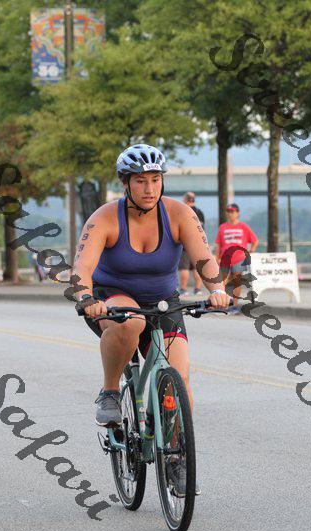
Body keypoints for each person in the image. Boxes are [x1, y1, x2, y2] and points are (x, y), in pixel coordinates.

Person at [73, 143, 232, 497]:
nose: (149, 188)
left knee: (180, 380)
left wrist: (218, 289)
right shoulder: (105, 218)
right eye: (141, 180)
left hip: (163, 303)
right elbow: (82, 267)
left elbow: (203, 259)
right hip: (112, 300)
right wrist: (86, 298)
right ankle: (110, 392)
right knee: (131, 323)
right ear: (125, 183)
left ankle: (176, 457)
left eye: (156, 180)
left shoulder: (179, 214)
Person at [215, 203, 258, 315]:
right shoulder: (222, 227)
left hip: (239, 258)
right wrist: (217, 257)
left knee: (237, 282)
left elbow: (254, 240)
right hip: (225, 258)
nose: (230, 214)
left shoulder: (243, 226)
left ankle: (234, 305)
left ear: (238, 213)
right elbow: (218, 244)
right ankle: (223, 305)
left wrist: (251, 252)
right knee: (222, 282)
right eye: (228, 211)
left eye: (232, 211)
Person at [178, 192, 206, 296]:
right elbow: (202, 229)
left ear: (185, 200)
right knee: (196, 268)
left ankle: (183, 289)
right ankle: (198, 289)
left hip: (184, 245)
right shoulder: (199, 212)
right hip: (197, 245)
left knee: (184, 268)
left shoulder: (183, 211)